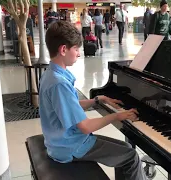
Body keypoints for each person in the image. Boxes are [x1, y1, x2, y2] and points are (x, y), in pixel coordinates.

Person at [40, 21, 147, 180]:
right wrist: (117, 116)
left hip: (62, 142)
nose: (78, 53)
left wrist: (97, 99)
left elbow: (70, 107)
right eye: (76, 49)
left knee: (125, 148)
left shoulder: (50, 74)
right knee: (130, 157)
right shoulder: (59, 84)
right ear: (63, 49)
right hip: (70, 147)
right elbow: (84, 127)